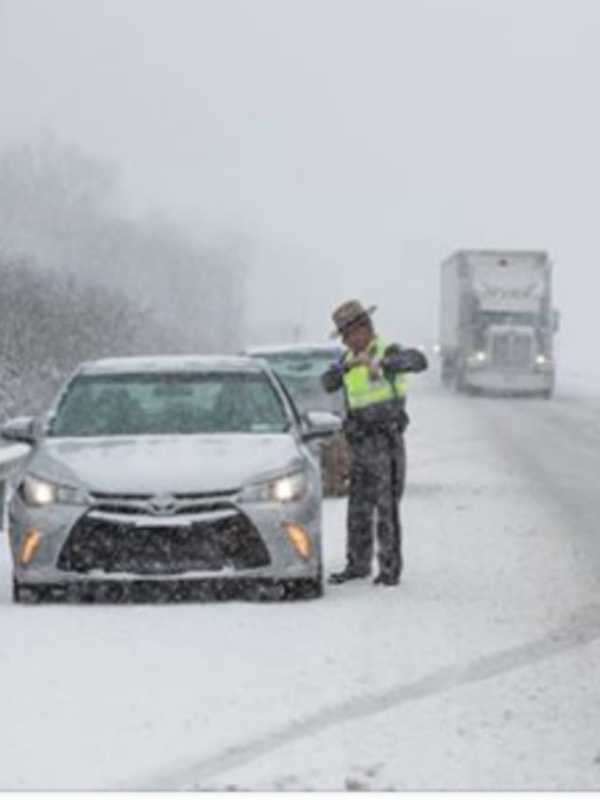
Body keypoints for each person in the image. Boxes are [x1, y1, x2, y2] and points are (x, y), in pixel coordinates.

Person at [321, 299, 427, 586]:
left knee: (387, 508)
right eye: (343, 336)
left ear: (365, 329)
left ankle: (389, 570)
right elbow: (327, 382)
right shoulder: (348, 360)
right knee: (358, 507)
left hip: (386, 439)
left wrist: (383, 363)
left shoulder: (387, 351)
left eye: (349, 334)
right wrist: (346, 368)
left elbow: (418, 361)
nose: (346, 340)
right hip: (359, 441)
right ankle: (357, 564)